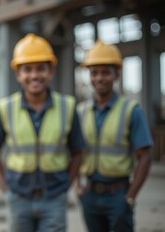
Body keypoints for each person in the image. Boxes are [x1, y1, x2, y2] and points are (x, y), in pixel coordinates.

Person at [0, 33, 85, 232]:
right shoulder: (5, 108)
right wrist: (5, 188)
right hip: (18, 198)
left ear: (50, 71)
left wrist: (65, 186)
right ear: (18, 74)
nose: (34, 75)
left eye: (41, 68)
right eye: (27, 69)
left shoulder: (67, 107)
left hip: (54, 199)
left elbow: (78, 151)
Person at [76, 40, 153, 232]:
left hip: (119, 194)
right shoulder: (81, 112)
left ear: (117, 75)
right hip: (90, 194)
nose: (99, 78)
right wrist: (78, 186)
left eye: (105, 72)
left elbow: (145, 156)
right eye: (94, 73)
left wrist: (131, 195)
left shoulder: (131, 111)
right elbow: (74, 151)